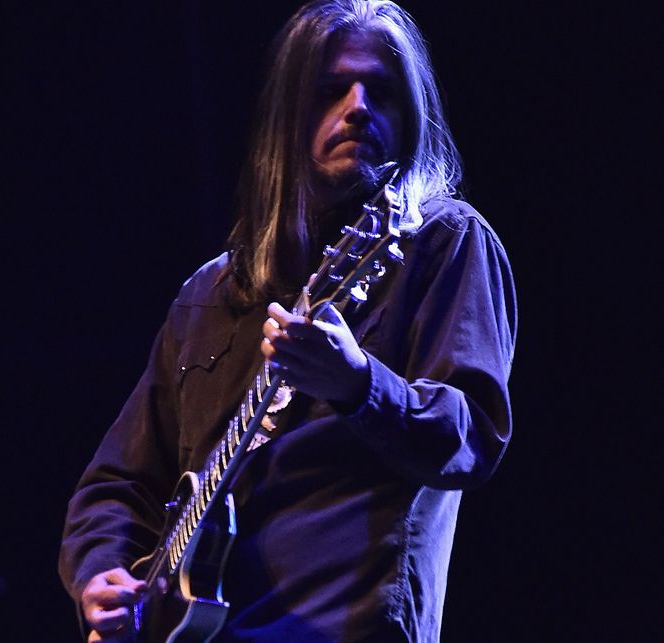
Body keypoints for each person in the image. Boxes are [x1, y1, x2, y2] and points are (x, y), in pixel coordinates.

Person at [58, 1, 517, 641]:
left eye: (380, 92)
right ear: (286, 118)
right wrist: (100, 570)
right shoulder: (208, 295)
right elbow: (117, 481)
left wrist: (359, 383)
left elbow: (471, 434)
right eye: (332, 90)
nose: (357, 106)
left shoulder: (442, 242)